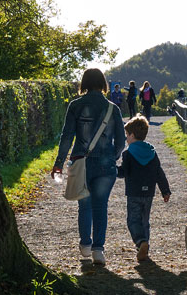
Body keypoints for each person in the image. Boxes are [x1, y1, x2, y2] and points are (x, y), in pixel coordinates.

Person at [51, 68, 126, 266]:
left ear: (84, 83)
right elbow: (120, 141)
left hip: (80, 162)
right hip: (105, 165)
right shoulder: (113, 109)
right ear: (103, 84)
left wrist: (59, 163)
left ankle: (85, 243)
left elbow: (67, 137)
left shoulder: (75, 105)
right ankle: (98, 250)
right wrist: (113, 157)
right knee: (101, 206)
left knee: (84, 205)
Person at [117, 115, 171, 262]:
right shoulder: (152, 153)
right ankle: (144, 247)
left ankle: (141, 242)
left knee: (133, 220)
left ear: (132, 135)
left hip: (134, 192)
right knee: (144, 220)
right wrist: (165, 190)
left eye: (127, 135)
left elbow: (123, 172)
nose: (126, 138)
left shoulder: (128, 154)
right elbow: (159, 173)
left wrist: (112, 170)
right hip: (149, 193)